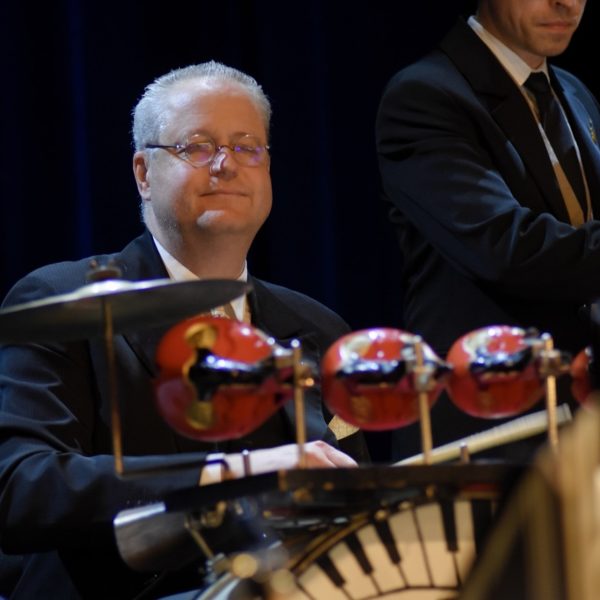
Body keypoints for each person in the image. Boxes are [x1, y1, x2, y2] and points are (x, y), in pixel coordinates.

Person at [0, 61, 367, 599]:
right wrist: (238, 473)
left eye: (247, 147)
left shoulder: (316, 326)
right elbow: (20, 487)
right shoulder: (60, 302)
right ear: (143, 174)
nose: (226, 164)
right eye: (197, 146)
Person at [376, 0, 600, 459]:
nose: (565, 3)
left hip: (581, 425)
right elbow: (507, 249)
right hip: (488, 432)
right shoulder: (425, 95)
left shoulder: (574, 92)